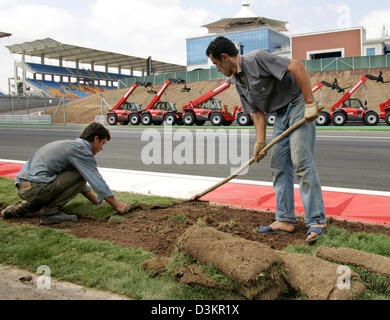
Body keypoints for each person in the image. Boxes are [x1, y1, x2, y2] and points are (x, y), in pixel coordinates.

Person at [206, 36, 327, 243]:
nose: (217, 68)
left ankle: (316, 220)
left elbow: (297, 67)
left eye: (216, 63)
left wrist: (309, 103)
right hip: (279, 115)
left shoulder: (258, 58)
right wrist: (260, 142)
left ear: (225, 57)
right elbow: (257, 113)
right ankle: (285, 219)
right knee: (279, 165)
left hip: (297, 104)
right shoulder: (237, 82)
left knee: (301, 162)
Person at [1, 122, 129, 224]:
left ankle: (13, 211)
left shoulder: (72, 146)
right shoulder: (82, 150)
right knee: (80, 174)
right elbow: (95, 180)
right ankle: (50, 213)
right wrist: (117, 205)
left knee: (65, 180)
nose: (101, 148)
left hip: (24, 186)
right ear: (96, 139)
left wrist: (97, 201)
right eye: (102, 143)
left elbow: (72, 182)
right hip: (37, 187)